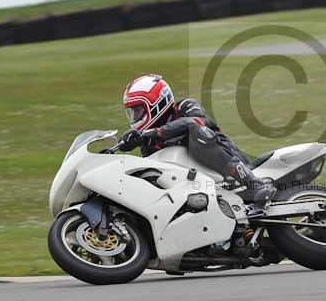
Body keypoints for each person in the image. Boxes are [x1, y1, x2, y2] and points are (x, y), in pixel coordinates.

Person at [117, 74, 276, 208]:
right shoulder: (149, 141)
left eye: (138, 110)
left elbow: (195, 122)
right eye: (132, 112)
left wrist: (154, 132)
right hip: (198, 185)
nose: (135, 116)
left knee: (197, 131)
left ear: (157, 103)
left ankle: (255, 184)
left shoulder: (185, 106)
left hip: (230, 160)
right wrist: (128, 141)